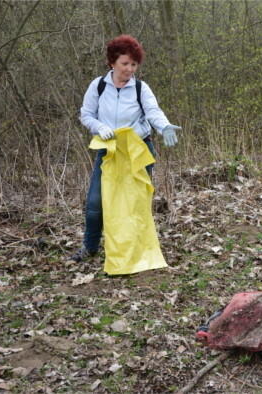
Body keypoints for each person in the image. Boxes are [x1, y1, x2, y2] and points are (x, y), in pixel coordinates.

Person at [70, 35, 181, 262]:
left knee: (136, 203)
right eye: (125, 64)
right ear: (112, 62)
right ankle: (89, 247)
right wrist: (100, 127)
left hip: (139, 151)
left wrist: (164, 126)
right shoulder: (98, 86)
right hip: (109, 152)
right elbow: (86, 115)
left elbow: (153, 111)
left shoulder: (141, 88)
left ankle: (138, 250)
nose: (130, 69)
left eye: (133, 64)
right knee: (95, 203)